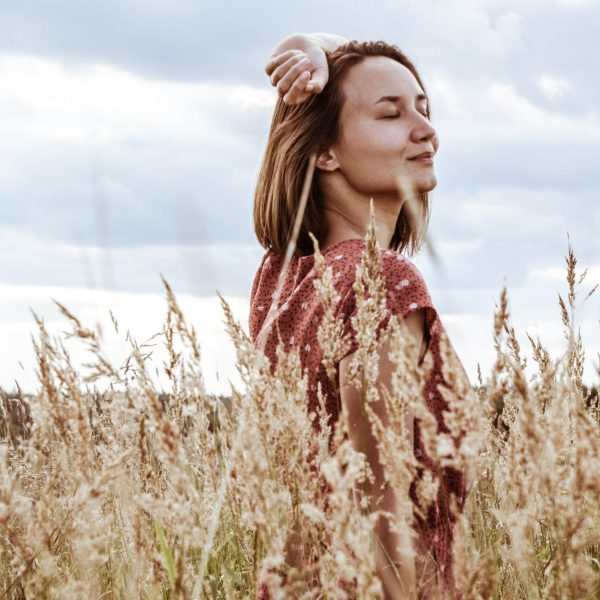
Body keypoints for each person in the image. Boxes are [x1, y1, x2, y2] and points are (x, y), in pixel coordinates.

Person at [250, 33, 471, 599]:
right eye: (391, 114)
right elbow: (385, 507)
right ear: (324, 151)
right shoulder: (383, 282)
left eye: (424, 109)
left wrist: (315, 50)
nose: (427, 132)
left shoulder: (282, 276)